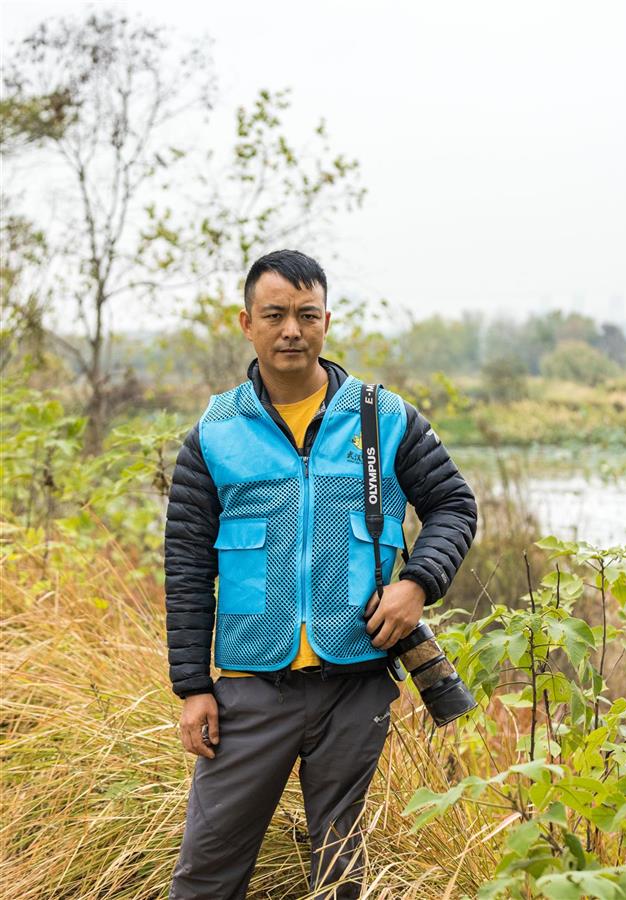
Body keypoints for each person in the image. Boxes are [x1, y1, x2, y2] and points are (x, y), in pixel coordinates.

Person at [165, 249, 478, 899]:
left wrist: (417, 583)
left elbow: (453, 504)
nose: (291, 330)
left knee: (340, 874)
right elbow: (189, 563)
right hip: (249, 689)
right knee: (206, 871)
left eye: (306, 315)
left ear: (326, 321)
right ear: (245, 321)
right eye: (274, 314)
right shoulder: (214, 433)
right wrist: (192, 684)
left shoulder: (383, 418)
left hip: (355, 683)